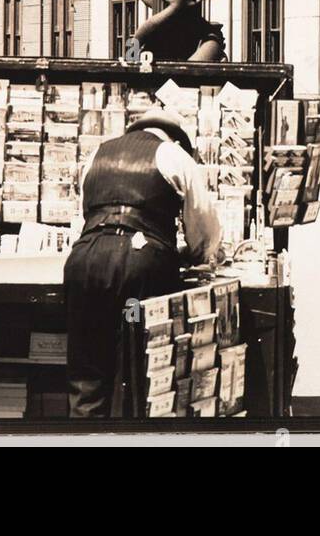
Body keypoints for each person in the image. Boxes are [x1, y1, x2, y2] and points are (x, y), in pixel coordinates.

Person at [64, 108, 221, 417]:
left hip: (85, 262)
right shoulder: (174, 156)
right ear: (175, 137)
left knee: (86, 372)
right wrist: (198, 256)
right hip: (139, 265)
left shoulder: (98, 154)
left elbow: (85, 214)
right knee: (138, 367)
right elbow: (203, 229)